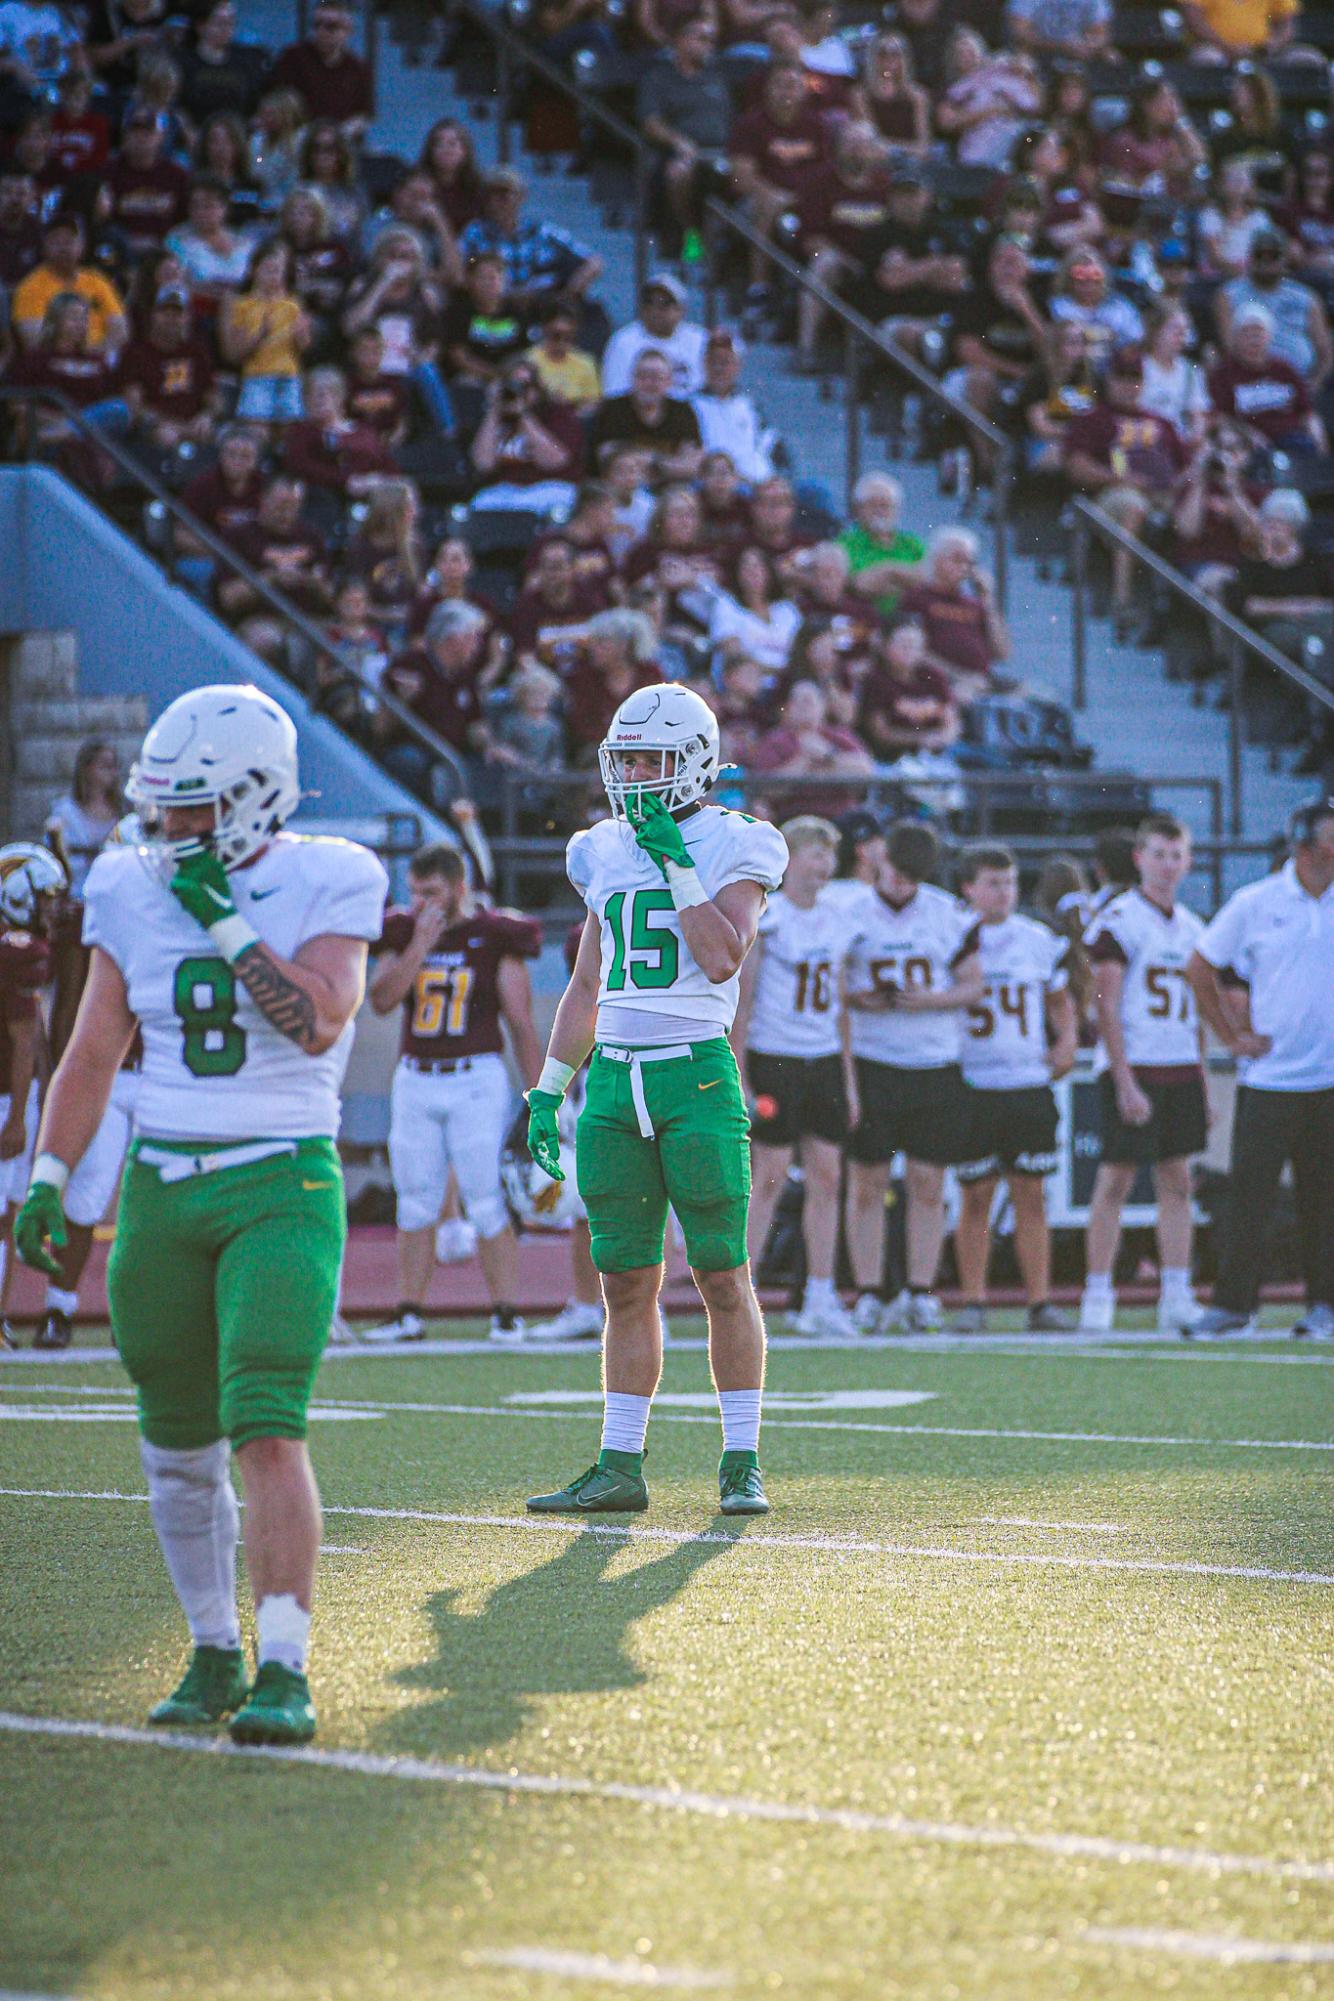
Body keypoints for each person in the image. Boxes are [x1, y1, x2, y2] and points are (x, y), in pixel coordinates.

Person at [13, 684, 389, 1743]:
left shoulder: (330, 874)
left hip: (280, 1177)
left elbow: (317, 1024)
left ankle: (283, 1666)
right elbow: (93, 1048)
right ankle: (211, 1649)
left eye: (196, 808)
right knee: (174, 1443)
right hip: (162, 1184)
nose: (171, 828)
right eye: (162, 807)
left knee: (266, 1422)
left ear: (257, 799)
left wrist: (221, 911)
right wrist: (50, 1174)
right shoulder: (127, 882)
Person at [523, 682, 788, 1516]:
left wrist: (675, 858)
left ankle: (740, 1459)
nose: (635, 775)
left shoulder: (738, 841)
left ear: (697, 763)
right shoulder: (600, 848)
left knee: (720, 1272)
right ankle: (619, 1463)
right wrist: (549, 1087)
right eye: (626, 759)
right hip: (613, 1083)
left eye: (652, 759)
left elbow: (721, 958)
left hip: (695, 1074)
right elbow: (585, 984)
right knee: (625, 1282)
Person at [363, 843, 543, 1346]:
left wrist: (541, 1098)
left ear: (460, 888)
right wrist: (420, 945)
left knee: (486, 1197)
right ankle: (408, 1312)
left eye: (432, 893)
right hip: (416, 1075)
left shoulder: (493, 936)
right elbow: (380, 1000)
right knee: (416, 1202)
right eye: (416, 893)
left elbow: (522, 1024)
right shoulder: (403, 932)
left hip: (474, 1077)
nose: (422, 903)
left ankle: (507, 1314)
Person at [1185, 797, 1334, 1339]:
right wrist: (1231, 1037)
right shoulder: (1257, 902)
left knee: (1326, 1200)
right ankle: (1233, 1306)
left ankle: (1325, 1305)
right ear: (1306, 845)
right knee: (1251, 1198)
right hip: (1270, 1080)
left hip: (1330, 1080)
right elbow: (1200, 965)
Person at [842, 819, 982, 1334]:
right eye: (897, 872)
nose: (902, 884)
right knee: (868, 1183)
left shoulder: (947, 913)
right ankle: (869, 1291)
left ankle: (921, 1290)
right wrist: (862, 999)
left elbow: (972, 986)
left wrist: (929, 1001)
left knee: (928, 1183)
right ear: (880, 860)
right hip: (874, 1060)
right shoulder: (850, 912)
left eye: (912, 876)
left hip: (934, 1061)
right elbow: (831, 989)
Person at [1079, 815, 1209, 1334]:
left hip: (1179, 1064)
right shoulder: (1120, 919)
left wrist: (1201, 1074)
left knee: (1178, 1181)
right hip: (1135, 1064)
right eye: (1158, 854)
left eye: (1176, 855)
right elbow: (1105, 1006)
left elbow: (1197, 1012)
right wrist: (1124, 1078)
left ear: (1188, 861)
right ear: (1139, 858)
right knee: (1115, 1179)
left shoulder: (1195, 927)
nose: (1167, 865)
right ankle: (1097, 1292)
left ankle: (1176, 1291)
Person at [731, 815, 857, 1340]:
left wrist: (848, 1078)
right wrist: (739, 1072)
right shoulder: (770, 917)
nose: (824, 863)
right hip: (776, 1055)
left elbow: (842, 1005)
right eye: (814, 852)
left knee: (828, 1177)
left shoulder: (839, 919)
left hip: (822, 1056)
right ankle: (743, 1293)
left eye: (829, 853)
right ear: (790, 858)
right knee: (771, 1176)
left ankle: (821, 1295)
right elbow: (744, 998)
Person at [952, 845, 1078, 1333]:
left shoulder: (1037, 938)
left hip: (1026, 1081)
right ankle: (973, 1301)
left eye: (1008, 884)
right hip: (974, 1081)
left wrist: (1066, 1042)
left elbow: (1060, 1001)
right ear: (969, 888)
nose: (1002, 893)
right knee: (976, 1195)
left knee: (1031, 1194)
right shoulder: (954, 935)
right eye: (991, 883)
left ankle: (1040, 1301)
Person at [0, 843, 65, 1334]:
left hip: (11, 1092)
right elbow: (24, 1043)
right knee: (4, 1213)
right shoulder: (20, 953)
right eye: (44, 897)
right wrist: (19, 1114)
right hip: (6, 1093)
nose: (52, 909)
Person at [269, 1, 373, 138]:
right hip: (297, 140)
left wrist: (340, 134)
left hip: (338, 144)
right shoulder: (293, 59)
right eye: (316, 25)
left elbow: (363, 115)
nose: (321, 32)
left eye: (331, 27)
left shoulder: (358, 68)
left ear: (348, 30)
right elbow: (277, 101)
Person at [600, 271, 709, 399]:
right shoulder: (623, 341)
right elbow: (615, 393)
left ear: (682, 309)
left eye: (664, 304)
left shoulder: (700, 339)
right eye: (649, 302)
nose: (655, 310)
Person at [45, 738, 122, 891]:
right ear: (87, 769)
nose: (112, 772)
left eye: (114, 766)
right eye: (105, 766)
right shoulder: (66, 813)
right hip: (77, 892)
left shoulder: (122, 810)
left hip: (113, 891)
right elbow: (54, 860)